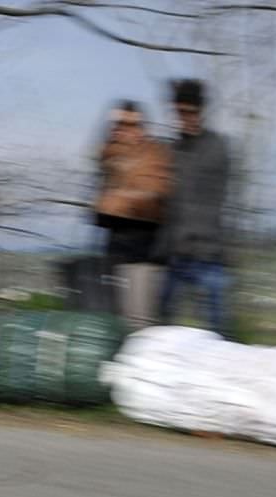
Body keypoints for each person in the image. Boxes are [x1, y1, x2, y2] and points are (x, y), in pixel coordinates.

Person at [157, 78, 233, 337]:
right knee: (162, 327)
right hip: (176, 254)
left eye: (190, 112)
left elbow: (210, 198)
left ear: (200, 111)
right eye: (180, 112)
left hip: (208, 254)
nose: (185, 118)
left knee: (216, 330)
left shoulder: (217, 147)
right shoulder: (172, 150)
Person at [93, 100, 170, 332]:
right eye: (117, 125)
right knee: (115, 323)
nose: (121, 130)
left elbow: (151, 199)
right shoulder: (112, 160)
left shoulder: (154, 155)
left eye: (128, 124)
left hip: (144, 254)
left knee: (140, 325)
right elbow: (101, 211)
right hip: (115, 251)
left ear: (140, 127)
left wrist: (116, 201)